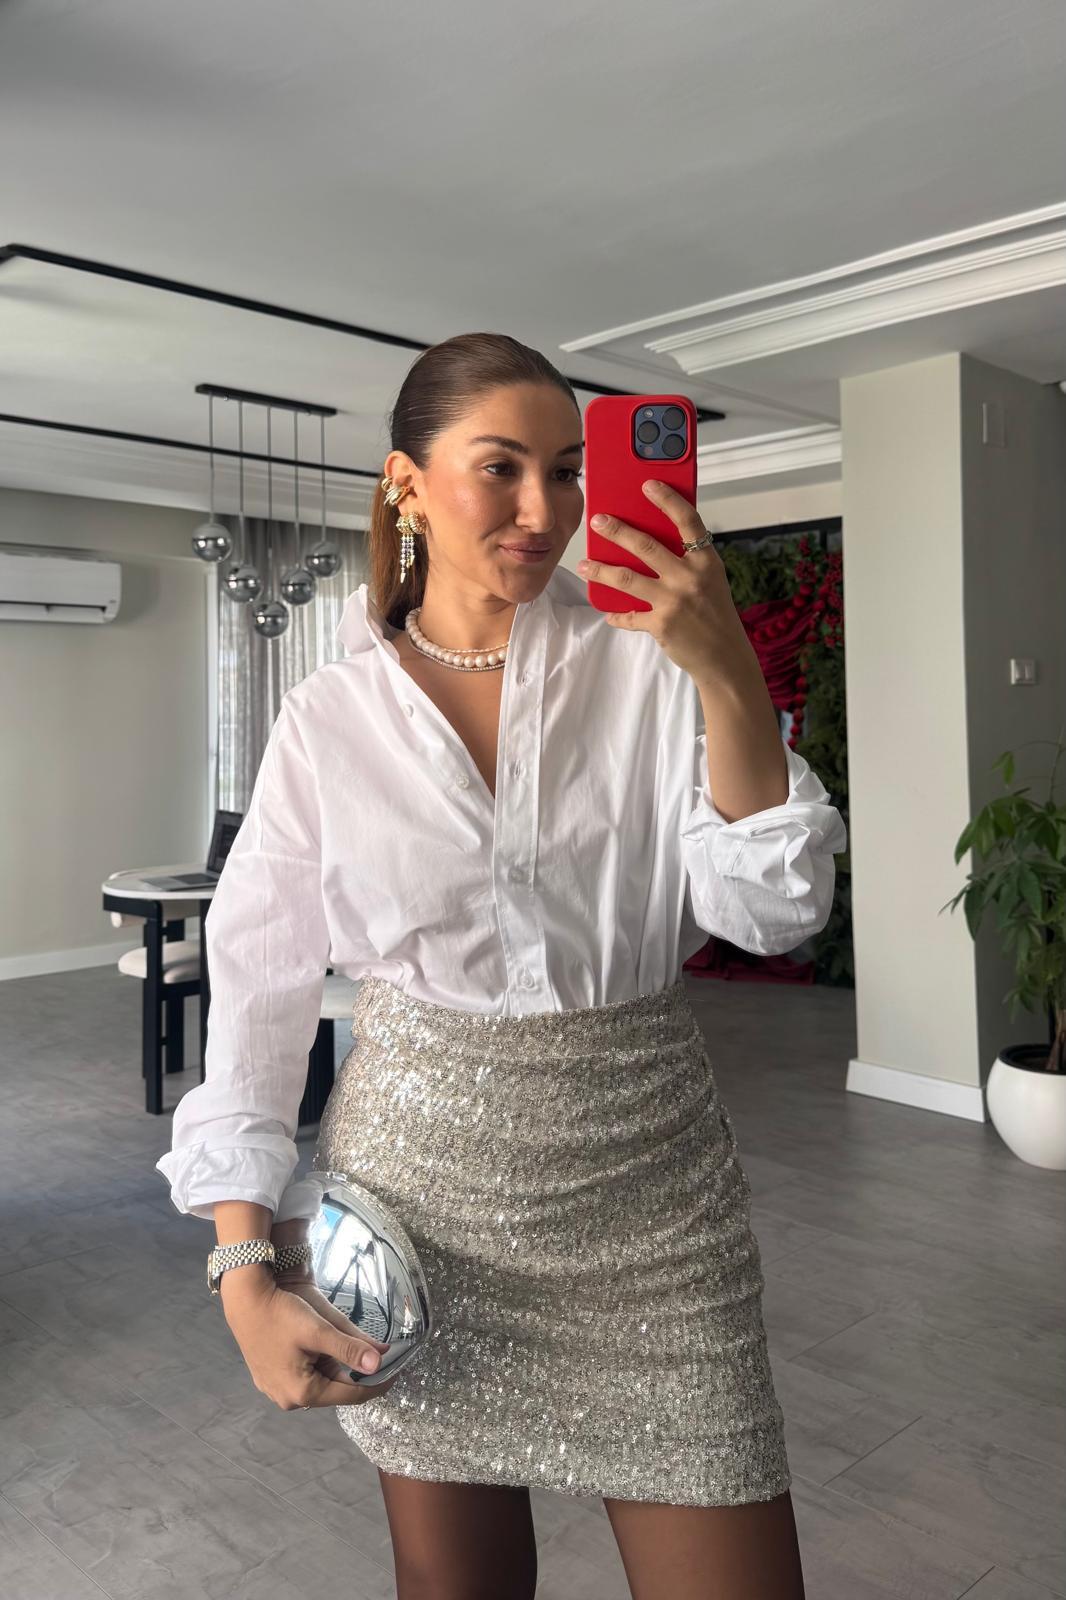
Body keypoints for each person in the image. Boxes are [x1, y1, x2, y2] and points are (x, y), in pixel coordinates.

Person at [157, 331, 847, 1599]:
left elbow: (772, 910)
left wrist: (727, 670)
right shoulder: (327, 720)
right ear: (407, 484)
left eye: (567, 470)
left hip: (654, 1213)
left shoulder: (653, 666)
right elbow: (255, 998)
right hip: (419, 1216)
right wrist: (243, 1268)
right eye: (501, 468)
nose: (546, 509)